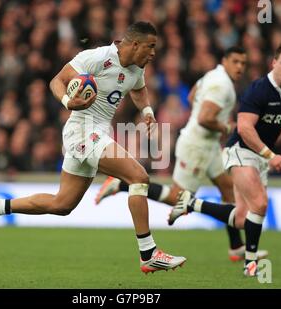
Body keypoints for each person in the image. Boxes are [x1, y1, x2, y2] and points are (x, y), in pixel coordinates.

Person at [0, 21, 186, 274]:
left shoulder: (136, 67)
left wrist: (146, 110)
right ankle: (148, 253)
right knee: (139, 176)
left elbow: (138, 88)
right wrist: (69, 101)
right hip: (82, 130)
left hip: (97, 133)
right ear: (135, 44)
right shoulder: (98, 57)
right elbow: (57, 81)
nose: (154, 52)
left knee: (62, 205)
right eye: (151, 46)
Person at [95, 46, 268, 262]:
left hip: (209, 145)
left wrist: (201, 116)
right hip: (198, 147)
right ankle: (120, 184)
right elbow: (205, 118)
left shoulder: (212, 75)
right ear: (225, 61)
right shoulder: (222, 85)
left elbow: (193, 95)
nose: (240, 67)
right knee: (177, 197)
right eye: (235, 62)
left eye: (243, 63)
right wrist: (226, 127)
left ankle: (236, 246)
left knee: (227, 189)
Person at [169, 41, 281, 277]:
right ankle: (250, 263)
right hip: (240, 150)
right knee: (260, 203)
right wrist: (271, 156)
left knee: (242, 218)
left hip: (261, 156)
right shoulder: (258, 90)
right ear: (274, 62)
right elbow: (244, 128)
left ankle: (191, 203)